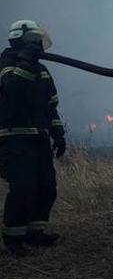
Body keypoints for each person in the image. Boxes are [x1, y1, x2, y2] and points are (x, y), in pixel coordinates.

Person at [0, 20, 66, 257]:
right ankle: (13, 239)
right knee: (23, 188)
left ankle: (35, 232)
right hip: (13, 139)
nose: (39, 45)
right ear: (21, 40)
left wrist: (58, 133)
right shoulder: (6, 64)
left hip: (39, 139)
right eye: (35, 41)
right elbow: (13, 90)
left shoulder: (41, 70)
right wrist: (26, 62)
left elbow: (51, 106)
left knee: (47, 188)